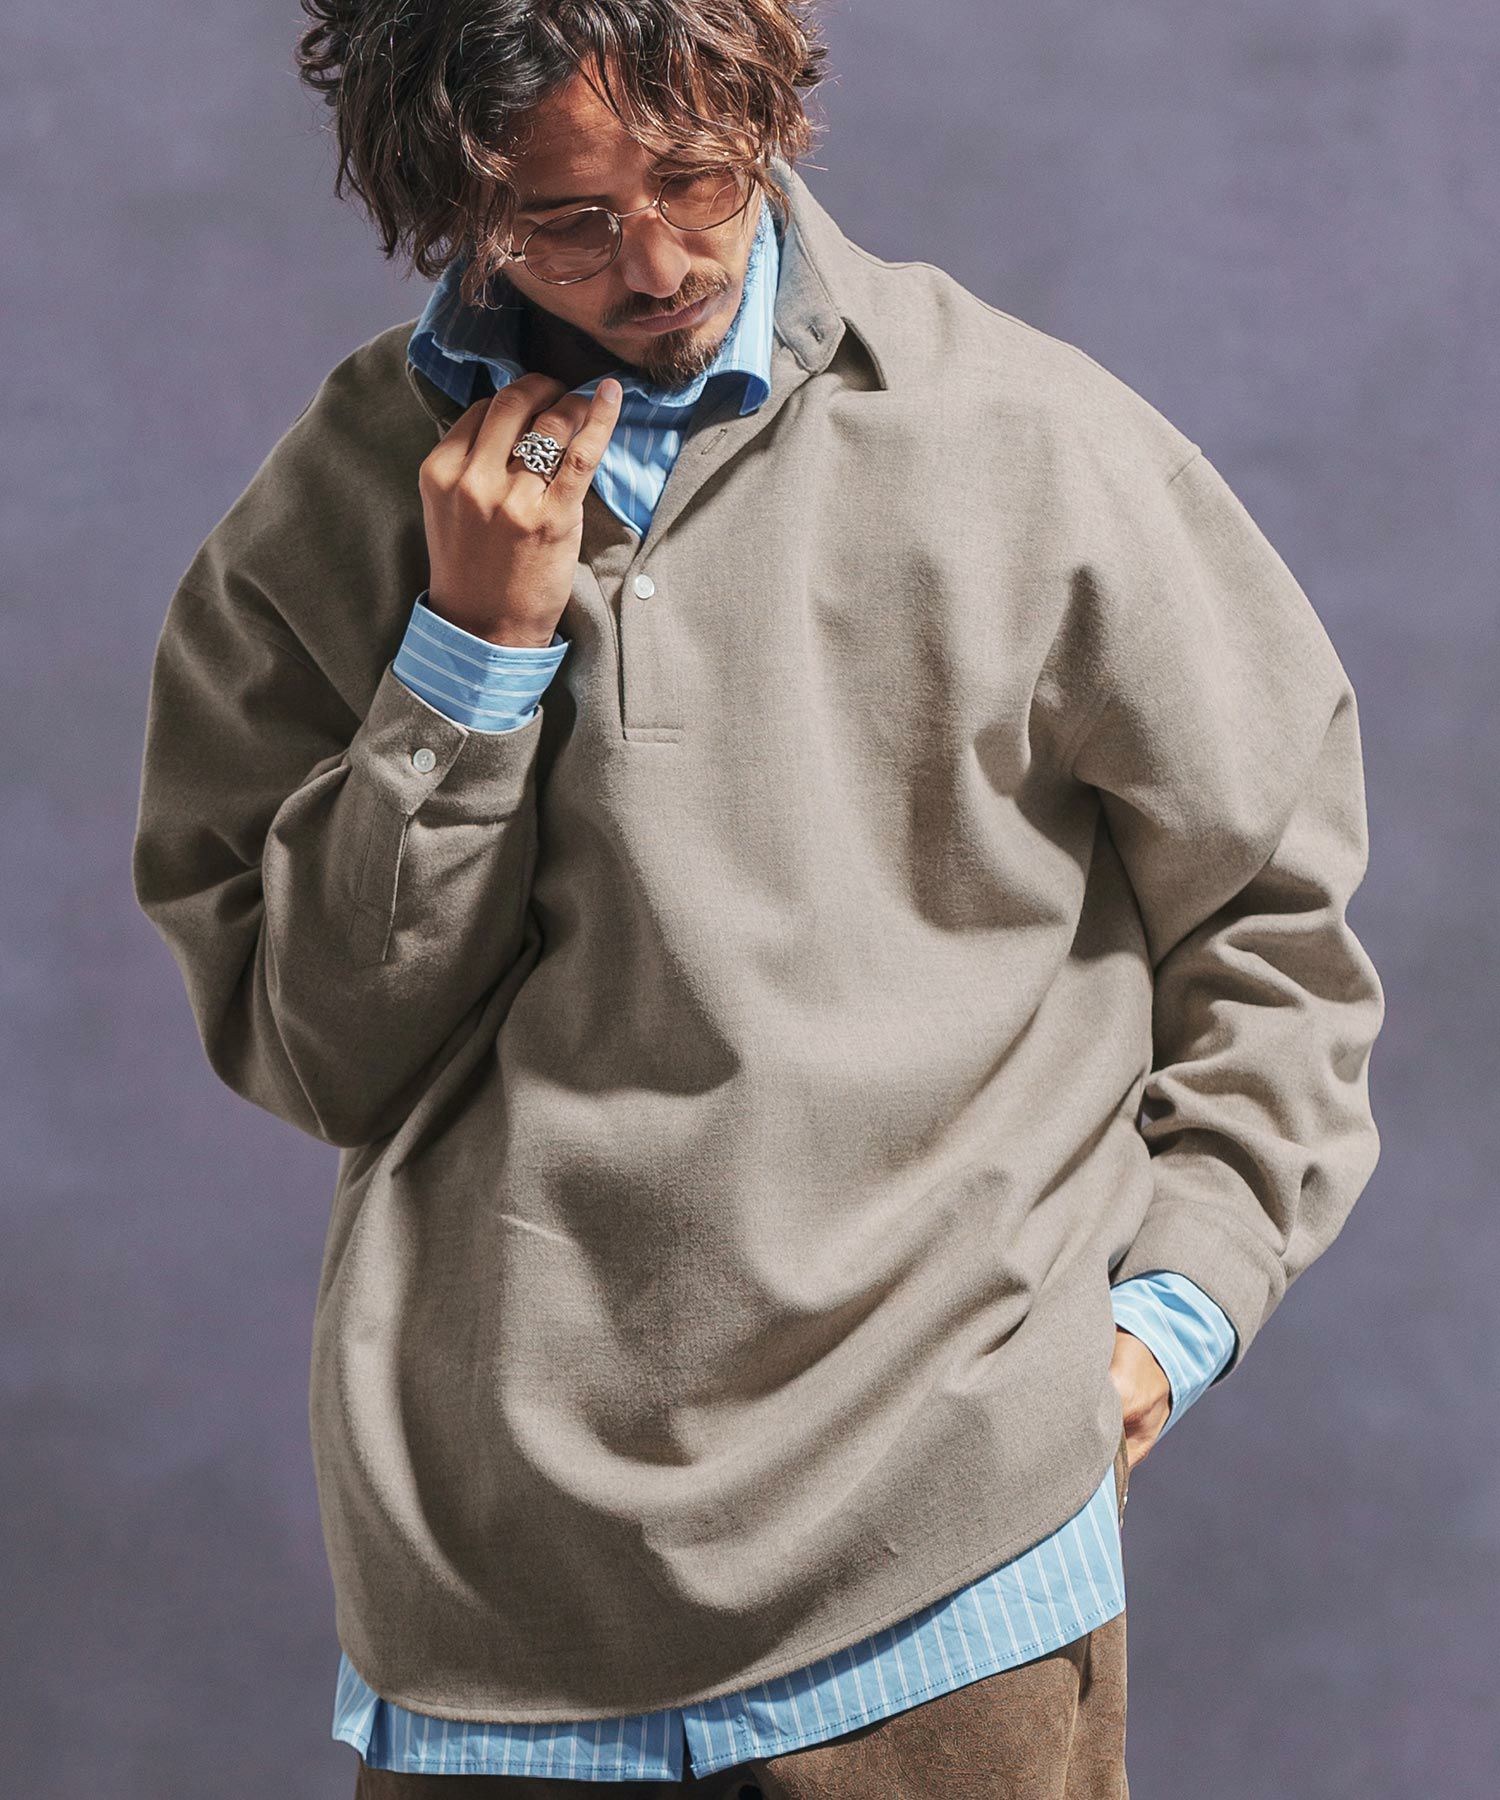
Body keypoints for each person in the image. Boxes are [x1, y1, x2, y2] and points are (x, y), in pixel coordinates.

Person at [130, 3, 1385, 1794]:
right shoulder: (334, 510)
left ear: (767, 110)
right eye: (567, 219)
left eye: (696, 178)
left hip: (950, 1568)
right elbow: (320, 1050)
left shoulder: (1024, 439)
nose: (654, 264)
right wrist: (466, 655)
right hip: (495, 1612)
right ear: (453, 201)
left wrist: (1173, 1315)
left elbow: (1274, 924)